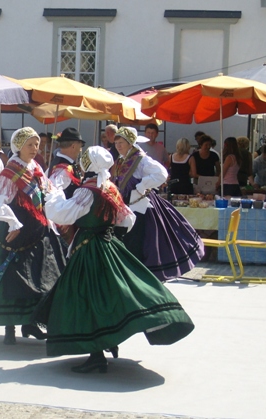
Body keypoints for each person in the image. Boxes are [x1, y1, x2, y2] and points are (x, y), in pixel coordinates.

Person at [40, 146, 195, 374]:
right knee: (111, 296)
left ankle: (96, 355)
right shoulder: (109, 187)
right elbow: (127, 219)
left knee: (88, 298)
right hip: (110, 245)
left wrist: (53, 195)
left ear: (88, 164)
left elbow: (61, 214)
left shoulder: (87, 191)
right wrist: (110, 231)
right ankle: (108, 342)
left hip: (89, 248)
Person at [0, 127, 66, 345]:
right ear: (19, 146)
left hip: (37, 231)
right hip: (15, 232)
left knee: (39, 277)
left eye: (36, 144)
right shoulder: (11, 172)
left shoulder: (35, 167)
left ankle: (30, 322)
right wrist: (12, 222)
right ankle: (9, 327)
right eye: (30, 144)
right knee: (12, 279)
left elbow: (48, 190)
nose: (35, 148)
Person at [111, 127, 203, 281]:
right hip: (127, 206)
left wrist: (142, 185)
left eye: (121, 142)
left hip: (140, 207)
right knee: (129, 240)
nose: (118, 146)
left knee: (141, 241)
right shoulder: (122, 159)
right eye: (116, 143)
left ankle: (139, 275)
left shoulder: (141, 159)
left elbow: (161, 174)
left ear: (130, 143)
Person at [48, 127, 85, 244]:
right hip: (65, 222)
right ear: (73, 146)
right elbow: (52, 191)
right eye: (80, 146)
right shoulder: (64, 169)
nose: (80, 150)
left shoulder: (61, 163)